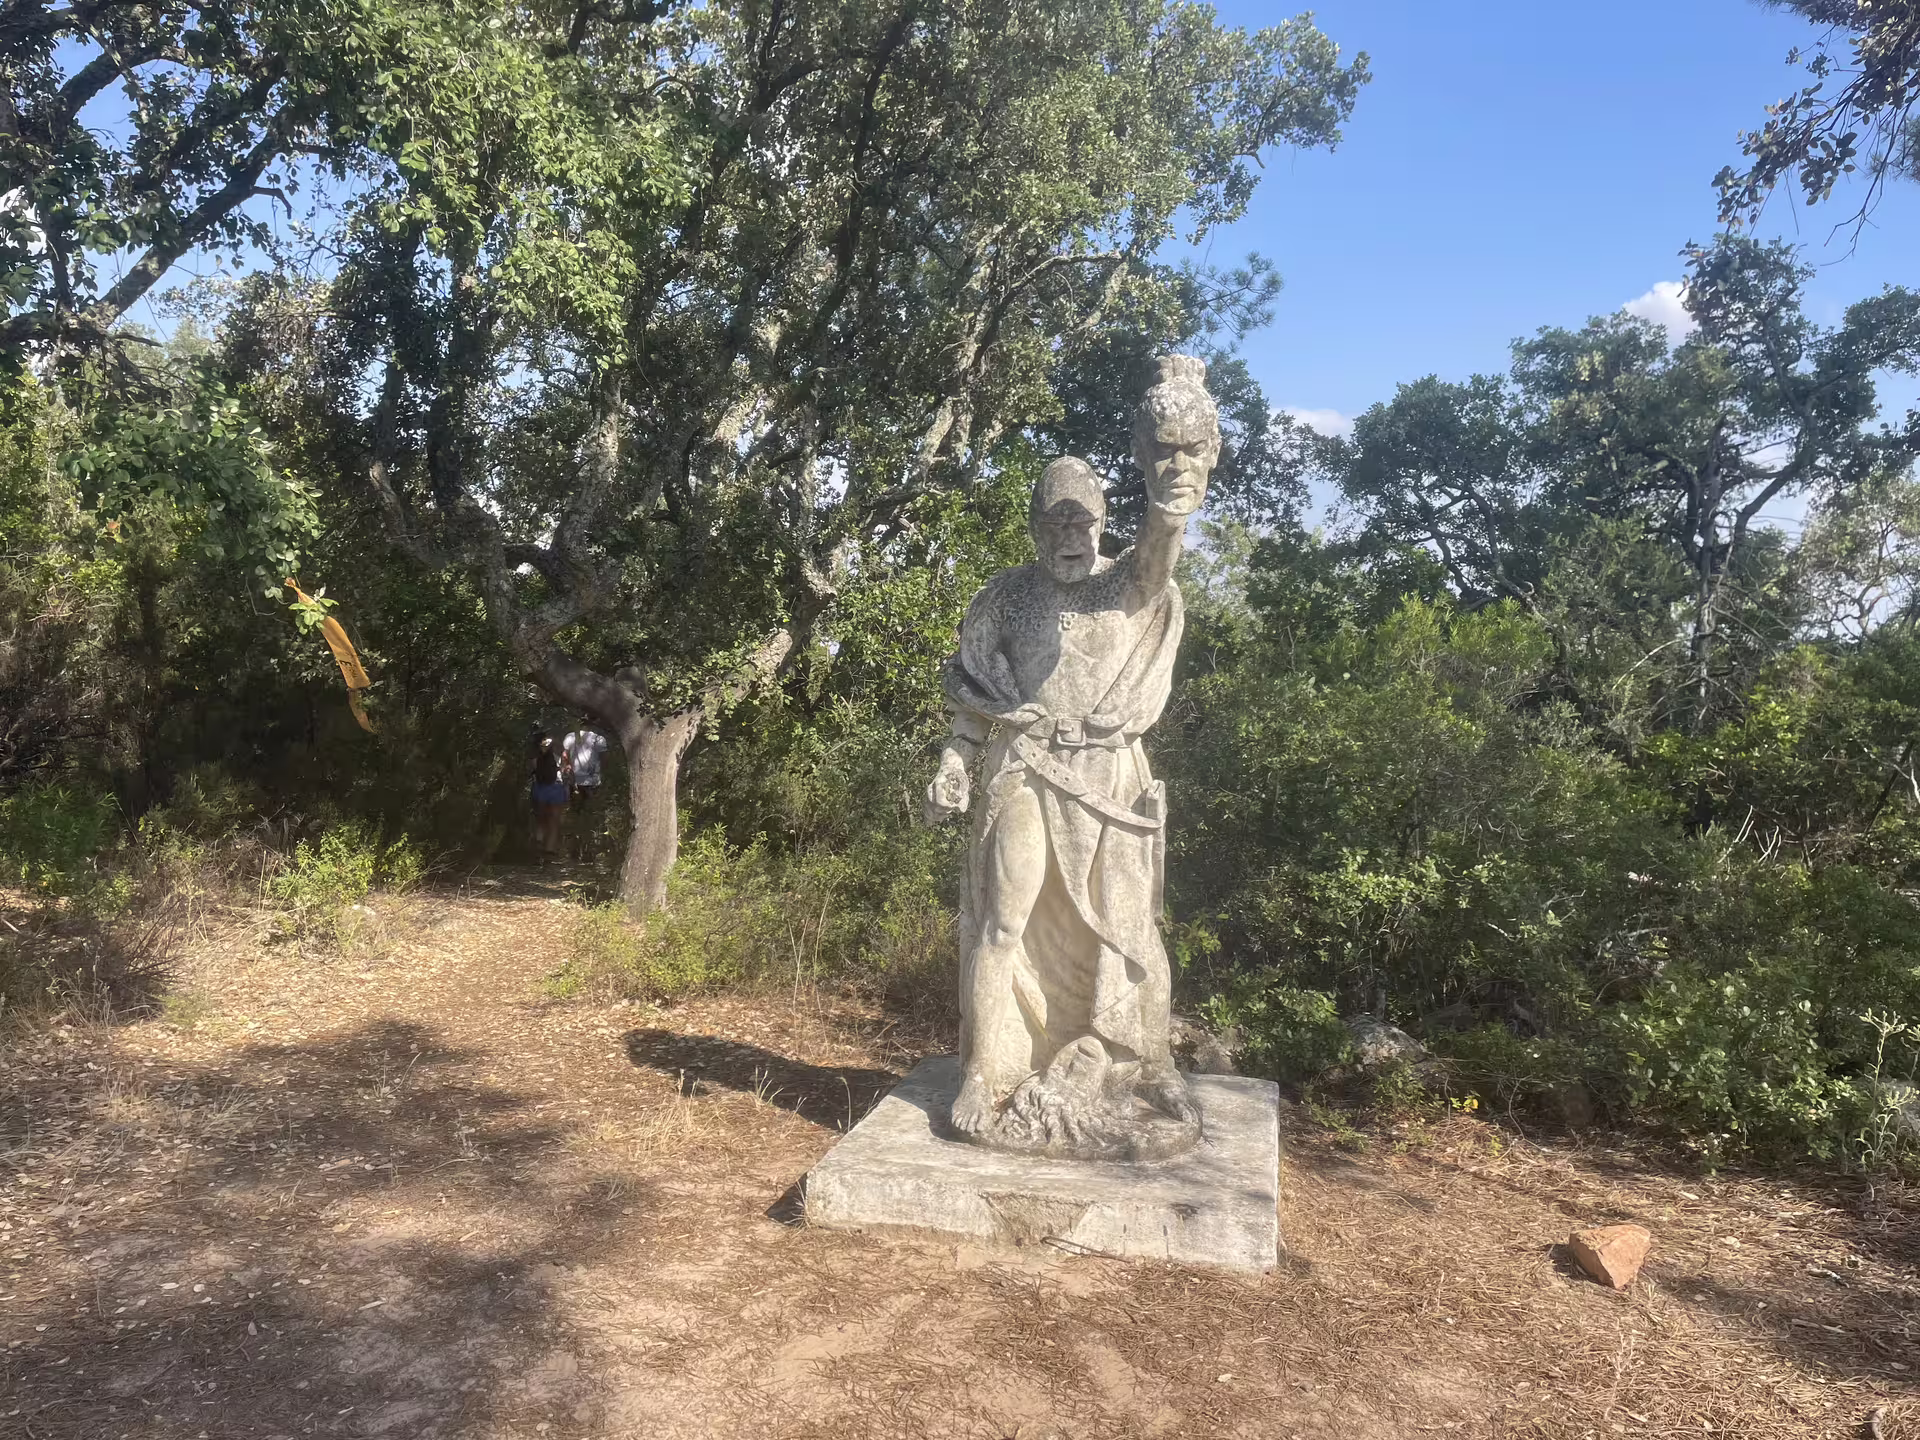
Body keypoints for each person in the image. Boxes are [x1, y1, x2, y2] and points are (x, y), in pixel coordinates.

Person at [924, 355, 1219, 1147]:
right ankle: (989, 1071)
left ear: (1102, 524)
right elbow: (971, 702)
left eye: (1081, 523)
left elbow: (1162, 548)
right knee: (1001, 924)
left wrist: (1174, 474)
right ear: (1032, 528)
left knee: (1130, 930)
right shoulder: (1005, 596)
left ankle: (1141, 1059)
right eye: (1053, 523)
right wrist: (954, 760)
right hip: (1023, 771)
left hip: (1109, 782)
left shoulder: (1127, 586)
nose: (1068, 537)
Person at [561, 724, 608, 859]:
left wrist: (567, 768)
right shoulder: (597, 739)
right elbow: (605, 759)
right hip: (586, 782)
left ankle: (580, 848)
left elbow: (565, 756)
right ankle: (582, 848)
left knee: (579, 813)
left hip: (582, 782)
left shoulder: (572, 737)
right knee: (588, 814)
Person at [529, 734, 568, 860]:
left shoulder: (534, 757)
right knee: (554, 820)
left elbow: (533, 770)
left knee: (540, 819)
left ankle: (538, 844)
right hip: (556, 788)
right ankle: (549, 851)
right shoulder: (560, 755)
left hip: (539, 788)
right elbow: (564, 771)